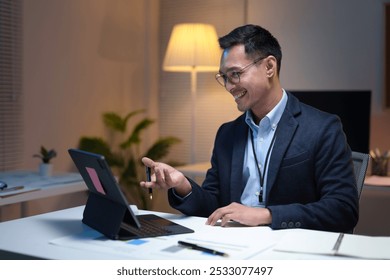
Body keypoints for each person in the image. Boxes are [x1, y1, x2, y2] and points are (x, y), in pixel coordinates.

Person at [140, 24, 358, 233]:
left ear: (269, 67)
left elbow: (343, 209)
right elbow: (213, 205)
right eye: (224, 77)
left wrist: (266, 215)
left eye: (235, 74)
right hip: (233, 246)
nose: (228, 86)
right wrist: (182, 185)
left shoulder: (322, 128)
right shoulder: (227, 134)